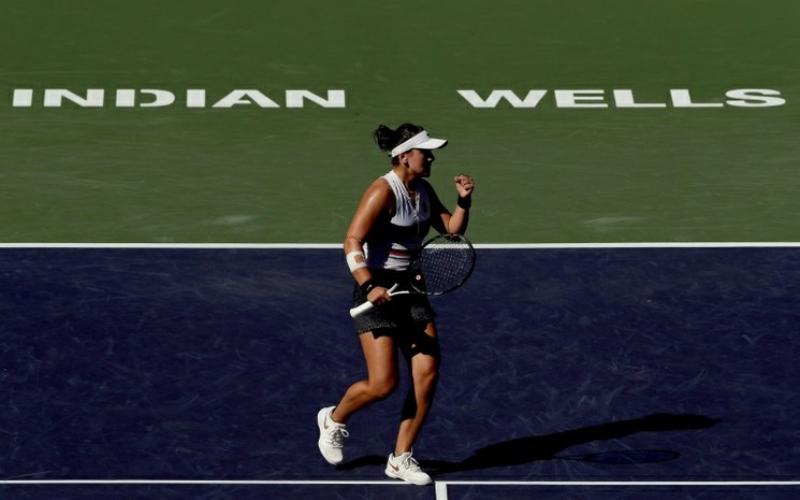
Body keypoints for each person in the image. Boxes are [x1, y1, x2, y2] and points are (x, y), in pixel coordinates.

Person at [316, 123, 475, 485]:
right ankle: (334, 418)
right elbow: (352, 241)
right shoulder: (381, 192)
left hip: (411, 289)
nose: (431, 157)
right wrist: (369, 285)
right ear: (405, 156)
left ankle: (401, 457)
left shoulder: (423, 189)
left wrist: (464, 200)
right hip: (376, 290)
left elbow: (452, 229)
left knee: (427, 374)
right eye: (426, 152)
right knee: (383, 383)